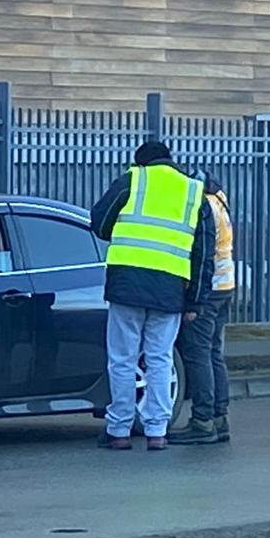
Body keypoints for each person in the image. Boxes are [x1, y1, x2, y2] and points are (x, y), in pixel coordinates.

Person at [90, 141, 213, 451]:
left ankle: (119, 430)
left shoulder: (133, 179)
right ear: (170, 160)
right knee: (159, 359)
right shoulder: (193, 191)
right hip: (170, 291)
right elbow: (203, 253)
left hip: (127, 285)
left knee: (122, 359)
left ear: (141, 161)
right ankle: (156, 431)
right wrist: (196, 300)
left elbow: (100, 222)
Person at [170, 173, 235, 445]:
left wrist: (194, 299)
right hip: (225, 285)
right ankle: (219, 418)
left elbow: (202, 253)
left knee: (198, 355)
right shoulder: (219, 200)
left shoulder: (202, 206)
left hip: (208, 291)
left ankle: (202, 421)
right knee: (213, 353)